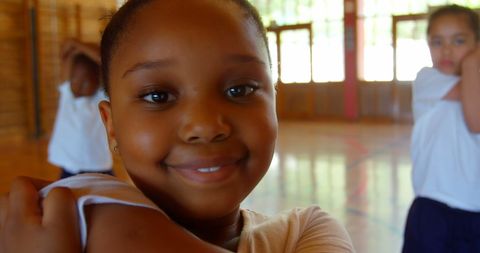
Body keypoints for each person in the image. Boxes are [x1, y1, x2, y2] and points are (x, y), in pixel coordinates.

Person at [0, 0, 355, 252]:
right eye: (158, 96)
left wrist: (117, 232)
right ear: (111, 126)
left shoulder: (307, 232)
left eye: (240, 89)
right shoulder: (62, 220)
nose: (204, 126)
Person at [403, 4, 480, 253]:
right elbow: (475, 120)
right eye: (437, 42)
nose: (446, 50)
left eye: (459, 41)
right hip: (432, 206)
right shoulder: (428, 79)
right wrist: (472, 61)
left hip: (474, 209)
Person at [48, 39, 113, 179]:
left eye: (86, 80)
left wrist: (78, 45)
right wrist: (73, 50)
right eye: (75, 79)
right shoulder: (67, 95)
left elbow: (105, 62)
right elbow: (65, 58)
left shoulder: (101, 97)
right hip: (71, 168)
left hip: (99, 167)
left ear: (98, 80)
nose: (80, 85)